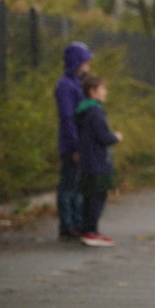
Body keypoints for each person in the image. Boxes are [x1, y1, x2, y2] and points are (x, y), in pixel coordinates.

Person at [75, 75, 122, 247]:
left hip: (87, 160)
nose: (106, 92)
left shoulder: (82, 110)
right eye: (103, 89)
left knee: (89, 197)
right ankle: (91, 232)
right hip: (98, 161)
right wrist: (115, 137)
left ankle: (87, 230)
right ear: (93, 91)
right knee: (98, 197)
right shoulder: (96, 111)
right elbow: (102, 136)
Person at [54, 42, 93, 240]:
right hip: (72, 143)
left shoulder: (78, 83)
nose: (88, 66)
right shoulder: (65, 86)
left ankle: (77, 222)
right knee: (69, 185)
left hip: (82, 141)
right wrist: (76, 145)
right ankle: (68, 224)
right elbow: (68, 118)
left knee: (78, 185)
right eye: (85, 62)